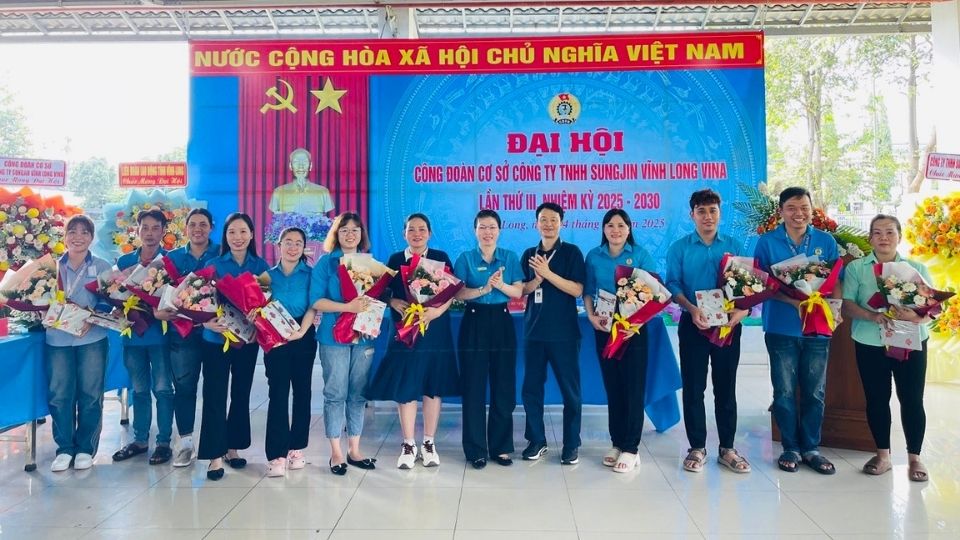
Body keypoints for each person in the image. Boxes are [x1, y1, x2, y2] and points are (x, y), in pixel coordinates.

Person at [754, 186, 842, 475]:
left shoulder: (825, 241)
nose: (798, 213)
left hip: (817, 327)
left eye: (804, 207)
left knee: (815, 391)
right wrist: (794, 302)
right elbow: (764, 285)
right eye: (791, 208)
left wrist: (835, 309)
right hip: (781, 326)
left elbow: (834, 279)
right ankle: (790, 446)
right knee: (784, 391)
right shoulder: (767, 242)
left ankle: (811, 448)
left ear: (811, 209)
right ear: (781, 211)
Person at [665, 190, 751, 474]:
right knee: (694, 388)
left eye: (712, 211)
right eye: (701, 211)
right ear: (692, 215)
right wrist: (691, 309)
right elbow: (673, 285)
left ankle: (727, 448)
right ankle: (697, 447)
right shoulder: (679, 247)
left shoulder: (734, 245)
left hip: (727, 326)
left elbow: (746, 286)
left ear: (720, 213)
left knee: (726, 388)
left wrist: (741, 312)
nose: (708, 217)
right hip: (694, 324)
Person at [842, 214, 932, 482]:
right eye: (877, 233)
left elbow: (931, 310)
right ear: (870, 238)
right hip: (870, 341)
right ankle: (883, 455)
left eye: (890, 232)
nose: (883, 238)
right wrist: (873, 316)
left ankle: (915, 457)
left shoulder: (916, 268)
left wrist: (913, 318)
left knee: (912, 399)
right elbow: (847, 305)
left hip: (911, 343)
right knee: (877, 398)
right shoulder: (857, 268)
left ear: (899, 237)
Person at [367, 213, 460, 469]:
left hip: (434, 329)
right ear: (404, 233)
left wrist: (437, 311)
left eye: (421, 229)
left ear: (429, 233)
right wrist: (393, 301)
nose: (417, 234)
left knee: (433, 384)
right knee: (406, 384)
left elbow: (452, 291)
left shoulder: (440, 258)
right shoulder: (396, 260)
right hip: (404, 329)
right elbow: (381, 290)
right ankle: (408, 443)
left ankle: (429, 442)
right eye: (411, 230)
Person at [583, 208, 656, 473]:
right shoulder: (594, 256)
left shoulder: (640, 255)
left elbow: (653, 295)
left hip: (633, 329)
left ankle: (632, 448)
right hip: (603, 325)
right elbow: (588, 290)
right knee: (613, 387)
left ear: (629, 229)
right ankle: (616, 442)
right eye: (610, 226)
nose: (615, 230)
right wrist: (591, 316)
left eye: (621, 226)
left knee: (633, 387)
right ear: (603, 229)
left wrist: (635, 323)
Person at [198, 212, 270, 480]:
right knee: (215, 395)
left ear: (251, 235)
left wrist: (259, 321)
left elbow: (267, 305)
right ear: (225, 237)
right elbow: (196, 301)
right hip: (215, 339)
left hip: (246, 341)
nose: (238, 238)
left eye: (243, 232)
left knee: (241, 393)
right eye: (232, 233)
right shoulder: (213, 264)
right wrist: (206, 323)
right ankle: (214, 456)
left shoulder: (260, 266)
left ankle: (233, 447)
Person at [453, 209, 524, 469]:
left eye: (492, 227)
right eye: (482, 227)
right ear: (475, 231)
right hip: (474, 321)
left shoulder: (509, 257)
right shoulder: (465, 258)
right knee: (473, 386)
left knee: (503, 384)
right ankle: (475, 449)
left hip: (502, 322)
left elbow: (518, 290)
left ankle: (501, 447)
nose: (487, 232)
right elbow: (458, 292)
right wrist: (484, 288)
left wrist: (500, 286)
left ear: (499, 230)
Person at [310, 212, 379, 475]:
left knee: (358, 393)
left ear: (362, 234)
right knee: (335, 392)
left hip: (363, 335)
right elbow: (316, 301)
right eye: (344, 230)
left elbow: (375, 299)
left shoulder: (370, 263)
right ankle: (336, 452)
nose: (350, 234)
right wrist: (347, 306)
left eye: (355, 230)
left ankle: (355, 449)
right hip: (333, 336)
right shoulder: (325, 264)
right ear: (336, 234)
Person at [45, 215, 113, 472]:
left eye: (84, 232)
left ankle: (85, 448)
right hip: (57, 339)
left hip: (92, 338)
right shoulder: (51, 268)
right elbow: (38, 298)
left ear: (91, 237)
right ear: (65, 236)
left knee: (90, 395)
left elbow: (109, 300)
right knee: (60, 395)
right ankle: (64, 448)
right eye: (72, 231)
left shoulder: (102, 265)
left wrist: (93, 318)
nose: (78, 237)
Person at [520, 202, 586, 465]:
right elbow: (523, 290)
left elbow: (577, 290)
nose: (548, 224)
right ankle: (536, 441)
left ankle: (571, 444)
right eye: (543, 220)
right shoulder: (528, 253)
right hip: (534, 332)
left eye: (553, 220)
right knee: (531, 389)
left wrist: (548, 273)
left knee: (571, 392)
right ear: (536, 223)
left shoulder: (571, 253)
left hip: (565, 333)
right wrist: (535, 280)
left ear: (562, 223)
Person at [156, 208, 220, 468]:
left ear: (211, 227)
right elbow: (158, 292)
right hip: (182, 334)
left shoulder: (221, 254)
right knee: (184, 388)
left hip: (215, 332)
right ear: (185, 229)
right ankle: (184, 443)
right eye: (193, 224)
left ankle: (218, 444)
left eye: (203, 224)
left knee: (215, 391)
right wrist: (159, 310)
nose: (198, 229)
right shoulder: (171, 258)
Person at [112, 207, 174, 465]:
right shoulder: (125, 262)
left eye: (155, 228)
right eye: (144, 228)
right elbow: (114, 296)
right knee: (139, 389)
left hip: (160, 336)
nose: (149, 233)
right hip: (132, 337)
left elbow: (176, 299)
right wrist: (117, 308)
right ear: (136, 231)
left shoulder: (171, 262)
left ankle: (163, 442)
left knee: (162, 388)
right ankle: (140, 439)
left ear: (164, 231)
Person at [263, 227, 317, 478]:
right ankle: (276, 454)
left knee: (302, 392)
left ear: (304, 247)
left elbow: (313, 306)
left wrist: (301, 331)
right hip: (274, 337)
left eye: (298, 243)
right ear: (279, 245)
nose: (293, 247)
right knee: (278, 393)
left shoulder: (310, 274)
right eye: (288, 242)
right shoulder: (267, 276)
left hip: (303, 335)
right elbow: (259, 306)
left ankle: (296, 448)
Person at [268, 148, 335, 215]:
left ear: (310, 166)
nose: (301, 166)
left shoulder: (323, 192)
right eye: (296, 162)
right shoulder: (278, 192)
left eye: (305, 162)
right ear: (290, 166)